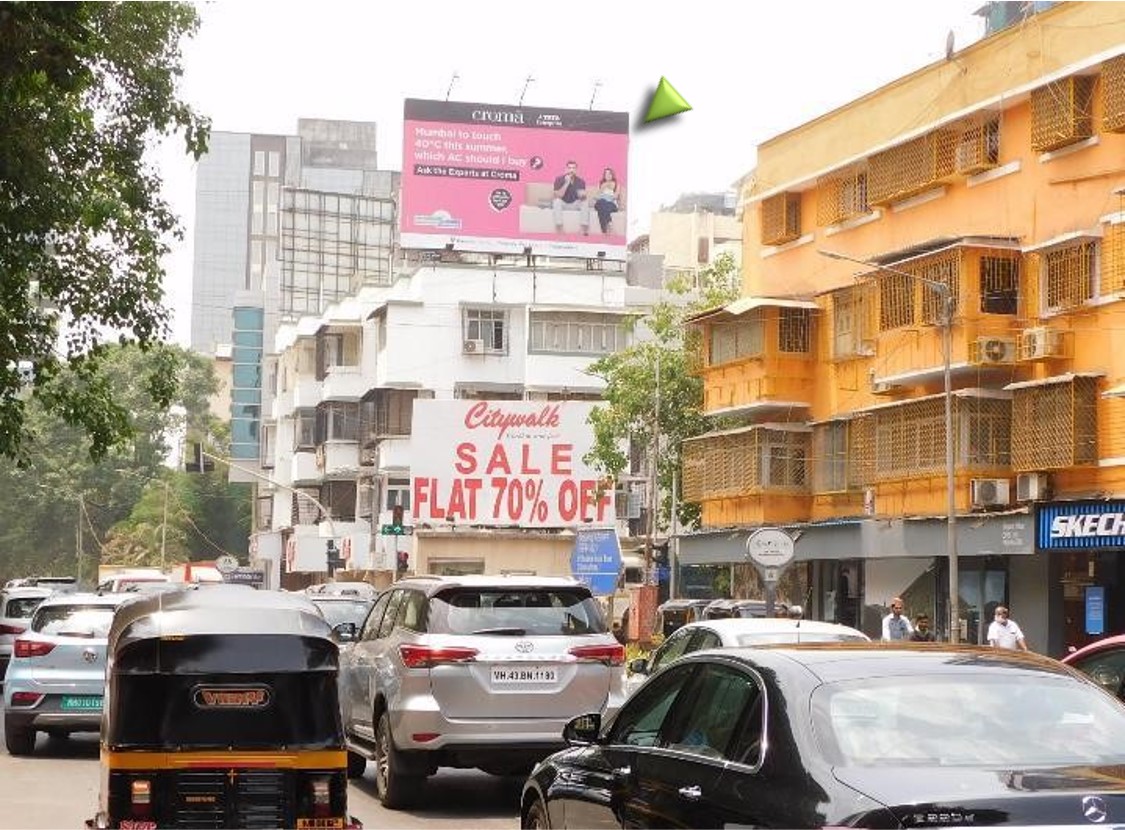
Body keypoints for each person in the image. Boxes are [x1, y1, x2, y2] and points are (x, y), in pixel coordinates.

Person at [552, 160, 588, 234]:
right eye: (569, 168)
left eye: (573, 168)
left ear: (576, 170)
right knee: (556, 201)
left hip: (574, 204)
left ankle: (583, 228)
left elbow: (582, 197)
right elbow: (559, 195)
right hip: (563, 203)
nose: (571, 170)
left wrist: (582, 195)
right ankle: (559, 227)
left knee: (585, 202)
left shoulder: (581, 181)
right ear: (566, 169)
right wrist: (566, 183)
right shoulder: (559, 179)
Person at [592, 167, 622, 234]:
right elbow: (595, 197)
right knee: (601, 202)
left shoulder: (617, 184)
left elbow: (616, 196)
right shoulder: (600, 184)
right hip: (600, 203)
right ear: (604, 175)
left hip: (611, 204)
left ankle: (604, 231)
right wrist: (603, 187)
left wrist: (605, 197)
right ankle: (609, 222)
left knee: (602, 205)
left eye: (609, 174)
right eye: (606, 174)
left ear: (612, 175)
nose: (608, 175)